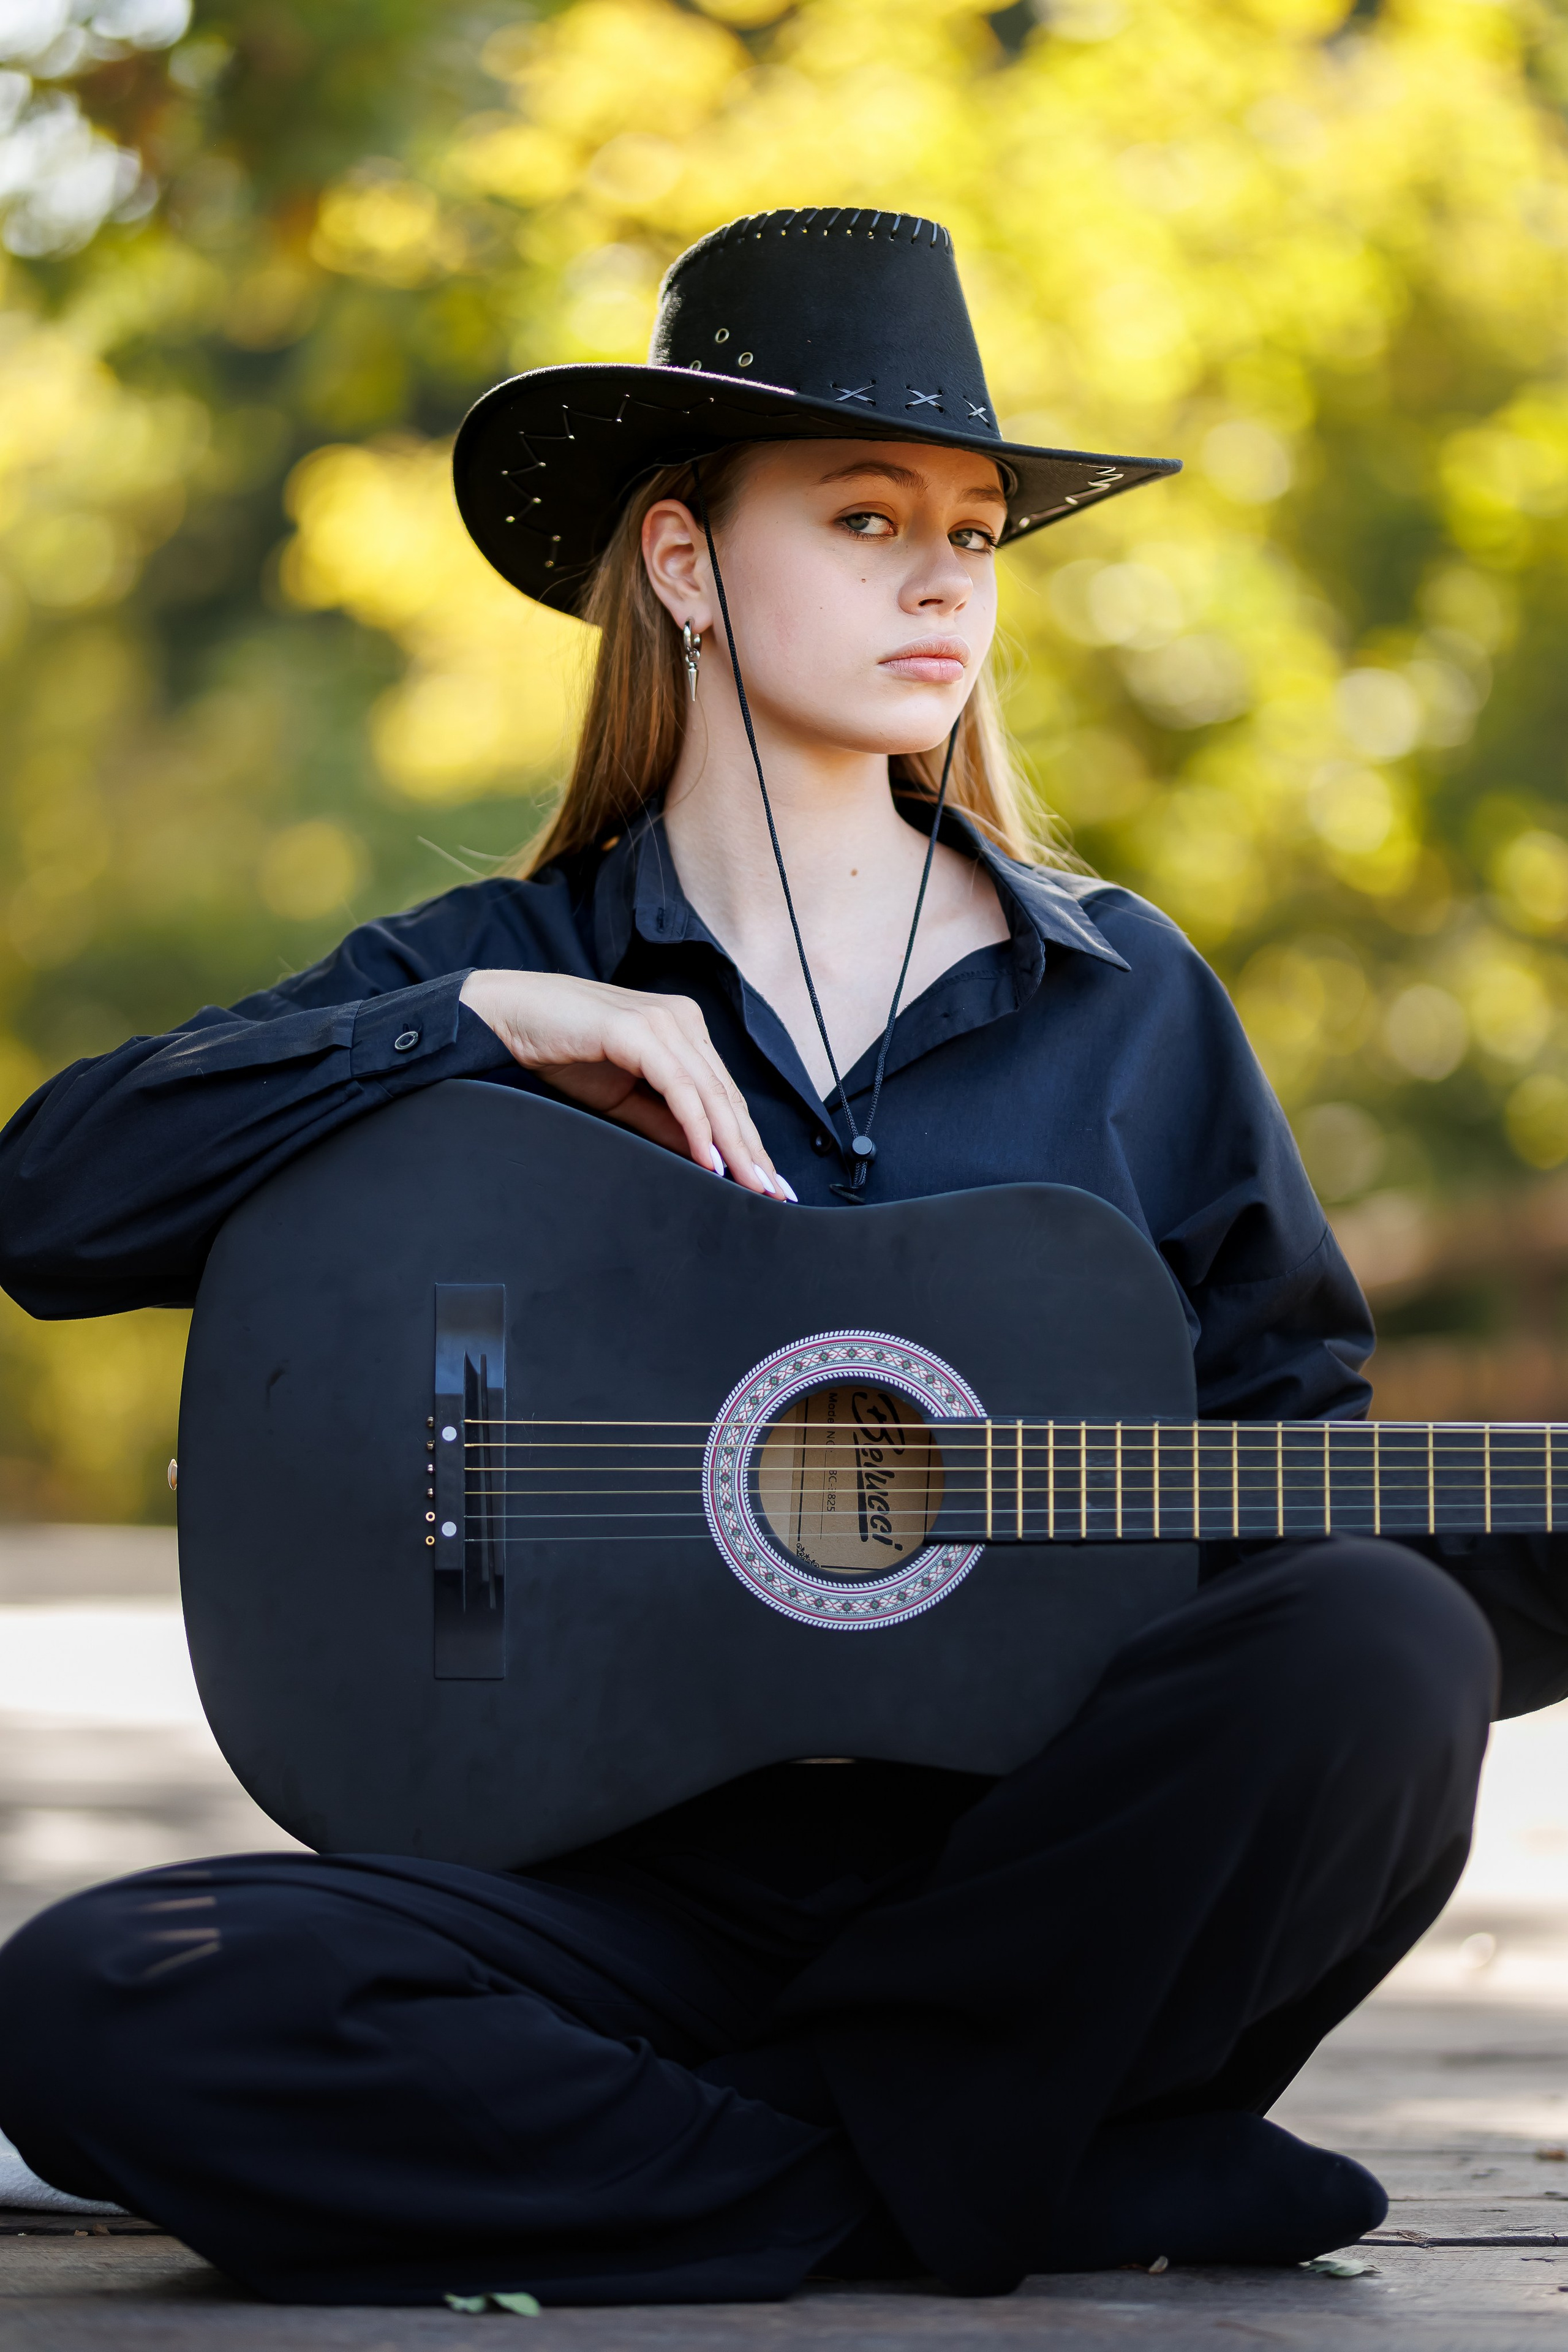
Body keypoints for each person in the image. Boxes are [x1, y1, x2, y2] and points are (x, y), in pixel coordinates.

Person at [0, 207, 1556, 2310]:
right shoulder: (504, 967)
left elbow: (1293, 1458)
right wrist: (478, 1031)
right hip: (603, 1895)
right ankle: (994, 2175)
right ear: (681, 564)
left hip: (1049, 1893)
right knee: (103, 1994)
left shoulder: (1129, 1002)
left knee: (1382, 1641)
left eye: (977, 531)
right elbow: (57, 1200)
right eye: (862, 513)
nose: (943, 579)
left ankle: (768, 2164)